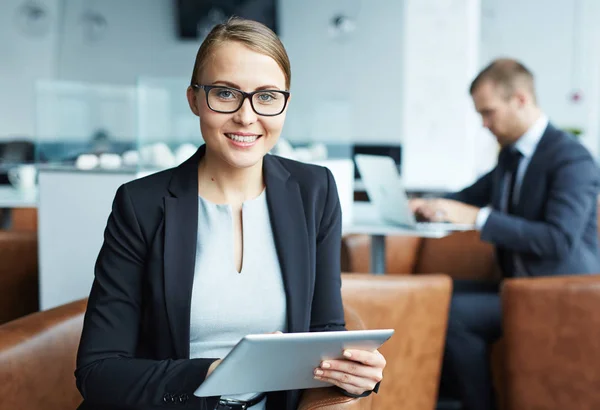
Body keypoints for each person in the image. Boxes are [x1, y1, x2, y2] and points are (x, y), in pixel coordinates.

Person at [75, 18, 386, 410]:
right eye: (225, 93)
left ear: (285, 103)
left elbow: (325, 332)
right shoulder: (140, 205)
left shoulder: (315, 191)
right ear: (194, 99)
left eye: (268, 96)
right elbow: (98, 371)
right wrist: (220, 373)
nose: (246, 115)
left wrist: (354, 377)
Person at [411, 58, 600, 410]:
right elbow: (467, 197)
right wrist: (424, 203)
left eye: (489, 113)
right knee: (434, 291)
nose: (484, 124)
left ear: (521, 100)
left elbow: (557, 239)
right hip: (517, 283)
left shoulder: (572, 159)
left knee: (452, 313)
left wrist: (479, 217)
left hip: (556, 291)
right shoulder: (512, 157)